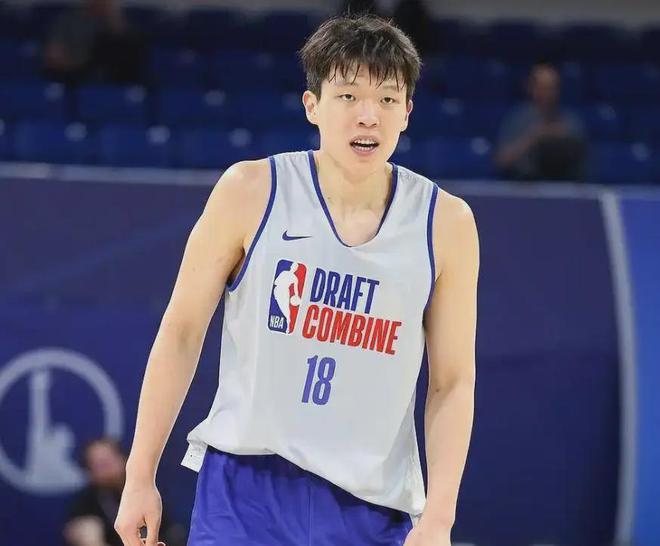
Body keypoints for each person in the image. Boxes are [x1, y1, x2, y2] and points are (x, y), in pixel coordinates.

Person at [115, 13, 478, 546]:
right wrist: (139, 474)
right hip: (244, 489)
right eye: (348, 96)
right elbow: (182, 332)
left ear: (407, 112)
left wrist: (440, 517)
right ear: (312, 105)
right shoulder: (250, 190)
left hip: (371, 505)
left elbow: (452, 382)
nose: (368, 116)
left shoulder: (446, 222)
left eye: (387, 99)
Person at [64, 437, 184, 546]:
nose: (105, 469)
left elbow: (172, 531)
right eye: (98, 465)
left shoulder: (147, 489)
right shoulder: (86, 502)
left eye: (107, 462)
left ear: (124, 459)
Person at [495, 62, 588, 181]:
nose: (547, 93)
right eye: (542, 88)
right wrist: (534, 137)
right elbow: (501, 162)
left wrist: (563, 139)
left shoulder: (572, 121)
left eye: (551, 88)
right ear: (530, 87)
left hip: (564, 185)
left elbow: (584, 168)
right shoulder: (516, 119)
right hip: (524, 185)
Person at [42, 0, 145, 84]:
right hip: (75, 73)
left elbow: (129, 56)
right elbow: (53, 55)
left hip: (110, 76)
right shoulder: (69, 20)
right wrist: (76, 66)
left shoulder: (115, 25)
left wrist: (114, 19)